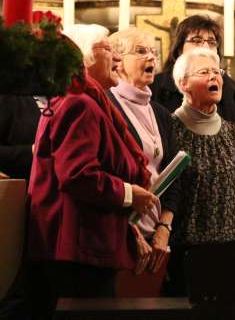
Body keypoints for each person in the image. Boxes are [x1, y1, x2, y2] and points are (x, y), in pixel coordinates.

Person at [27, 25, 157, 319]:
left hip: (83, 244)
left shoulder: (84, 100)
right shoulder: (80, 104)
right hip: (76, 249)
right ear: (86, 59)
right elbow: (77, 174)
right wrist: (128, 194)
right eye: (106, 49)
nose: (115, 57)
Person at [163, 47, 235, 296]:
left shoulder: (233, 133)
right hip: (184, 254)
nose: (214, 77)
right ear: (184, 83)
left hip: (229, 253)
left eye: (216, 72)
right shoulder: (169, 128)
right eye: (204, 72)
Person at [106, 28, 179, 291]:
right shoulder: (107, 105)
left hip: (156, 237)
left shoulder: (160, 113)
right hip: (120, 235)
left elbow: (172, 176)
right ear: (118, 61)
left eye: (153, 52)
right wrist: (128, 229)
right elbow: (106, 174)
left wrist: (164, 228)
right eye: (141, 51)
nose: (151, 58)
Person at [150, 14, 235, 124]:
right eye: (196, 40)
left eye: (212, 42)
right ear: (180, 49)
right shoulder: (156, 86)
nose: (205, 47)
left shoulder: (231, 89)